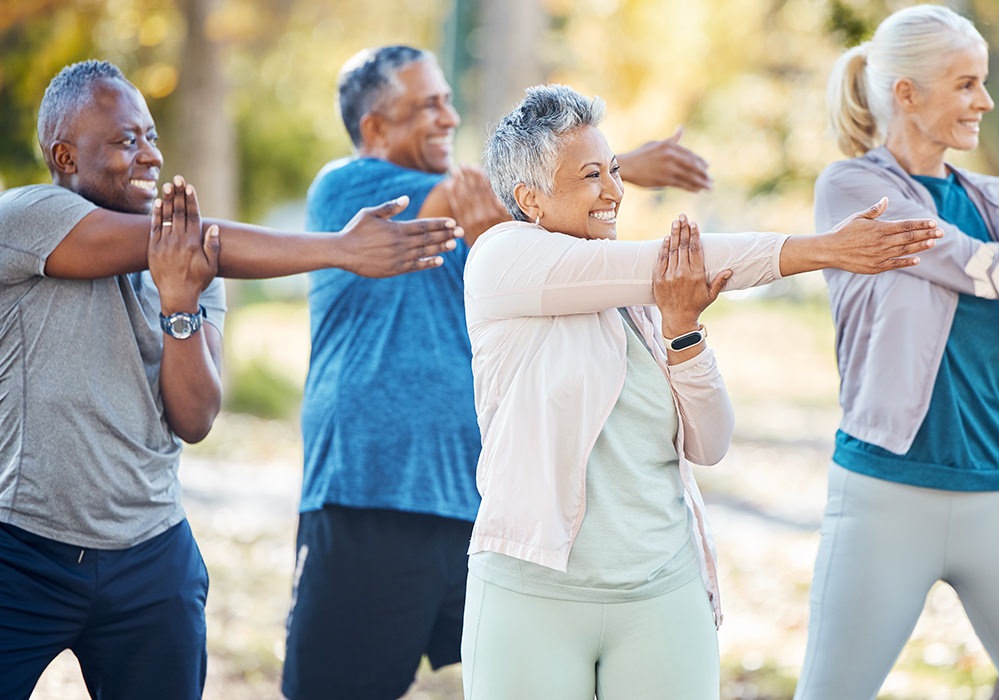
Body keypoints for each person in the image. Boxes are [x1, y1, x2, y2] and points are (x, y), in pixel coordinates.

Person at [459, 83, 941, 700]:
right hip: (532, 593)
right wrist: (820, 250)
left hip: (663, 591)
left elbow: (711, 444)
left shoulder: (642, 304)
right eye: (590, 176)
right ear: (530, 199)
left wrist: (684, 330)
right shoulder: (501, 260)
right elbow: (668, 262)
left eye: (614, 170)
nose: (613, 191)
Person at [0, 59, 461, 700]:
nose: (150, 156)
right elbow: (192, 240)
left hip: (150, 555)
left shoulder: (195, 258)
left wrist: (181, 305)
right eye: (125, 141)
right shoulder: (24, 219)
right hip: (23, 551)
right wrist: (336, 248)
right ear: (65, 156)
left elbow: (193, 419)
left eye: (152, 136)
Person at [280, 44, 728, 700]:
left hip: (480, 502)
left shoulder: (505, 230)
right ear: (374, 129)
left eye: (447, 99)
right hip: (372, 493)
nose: (448, 115)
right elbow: (490, 190)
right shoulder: (348, 190)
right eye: (427, 104)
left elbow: (541, 198)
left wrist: (603, 171)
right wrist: (629, 162)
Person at [794, 6, 999, 699]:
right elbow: (969, 264)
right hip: (886, 496)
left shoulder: (996, 203)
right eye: (965, 84)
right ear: (907, 93)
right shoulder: (853, 192)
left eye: (982, 83)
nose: (984, 100)